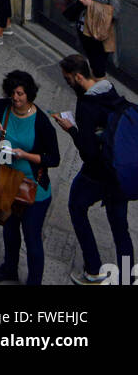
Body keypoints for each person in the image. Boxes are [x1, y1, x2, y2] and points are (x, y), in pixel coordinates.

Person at [54, 53, 135, 286]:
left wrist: (70, 129)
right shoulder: (110, 91)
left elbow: (87, 152)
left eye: (68, 79)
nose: (67, 83)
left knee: (76, 207)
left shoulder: (86, 106)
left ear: (78, 77)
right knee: (121, 229)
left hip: (97, 175)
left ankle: (93, 269)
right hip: (119, 173)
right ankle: (127, 278)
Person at [0, 69, 60, 285]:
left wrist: (26, 155)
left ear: (29, 95)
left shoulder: (41, 122)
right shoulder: (0, 108)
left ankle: (34, 282)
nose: (16, 98)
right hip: (6, 181)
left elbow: (54, 158)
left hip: (34, 187)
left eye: (21, 94)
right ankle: (9, 269)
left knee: (32, 239)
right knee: (10, 230)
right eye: (13, 93)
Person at [71, 0, 121, 79]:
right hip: (83, 27)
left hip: (98, 32)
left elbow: (115, 12)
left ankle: (99, 93)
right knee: (91, 62)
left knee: (99, 67)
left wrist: (91, 4)